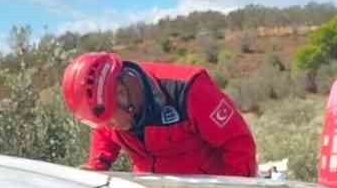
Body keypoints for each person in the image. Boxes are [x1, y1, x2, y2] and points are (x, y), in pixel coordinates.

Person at [61, 51, 257, 177]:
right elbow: (104, 133)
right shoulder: (109, 112)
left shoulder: (189, 89)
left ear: (122, 94)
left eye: (108, 121)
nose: (107, 127)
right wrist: (97, 165)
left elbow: (238, 144)